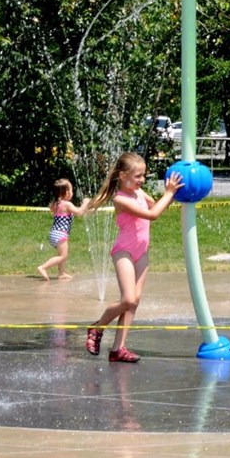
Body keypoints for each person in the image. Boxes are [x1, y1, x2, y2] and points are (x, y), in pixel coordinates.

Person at [83, 153, 182, 363]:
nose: (142, 180)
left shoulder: (138, 192)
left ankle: (118, 348)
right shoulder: (121, 199)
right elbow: (152, 214)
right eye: (137, 176)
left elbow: (154, 204)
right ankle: (97, 327)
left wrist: (173, 196)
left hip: (142, 251)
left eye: (143, 175)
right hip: (124, 251)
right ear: (122, 175)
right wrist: (169, 193)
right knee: (127, 299)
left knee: (134, 302)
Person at [36, 178, 88, 280]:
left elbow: (51, 207)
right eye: (71, 190)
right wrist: (85, 203)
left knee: (62, 254)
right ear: (67, 192)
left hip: (54, 233)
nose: (72, 192)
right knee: (63, 256)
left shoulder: (55, 204)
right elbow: (79, 212)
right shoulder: (67, 204)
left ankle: (61, 273)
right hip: (61, 234)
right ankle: (43, 267)